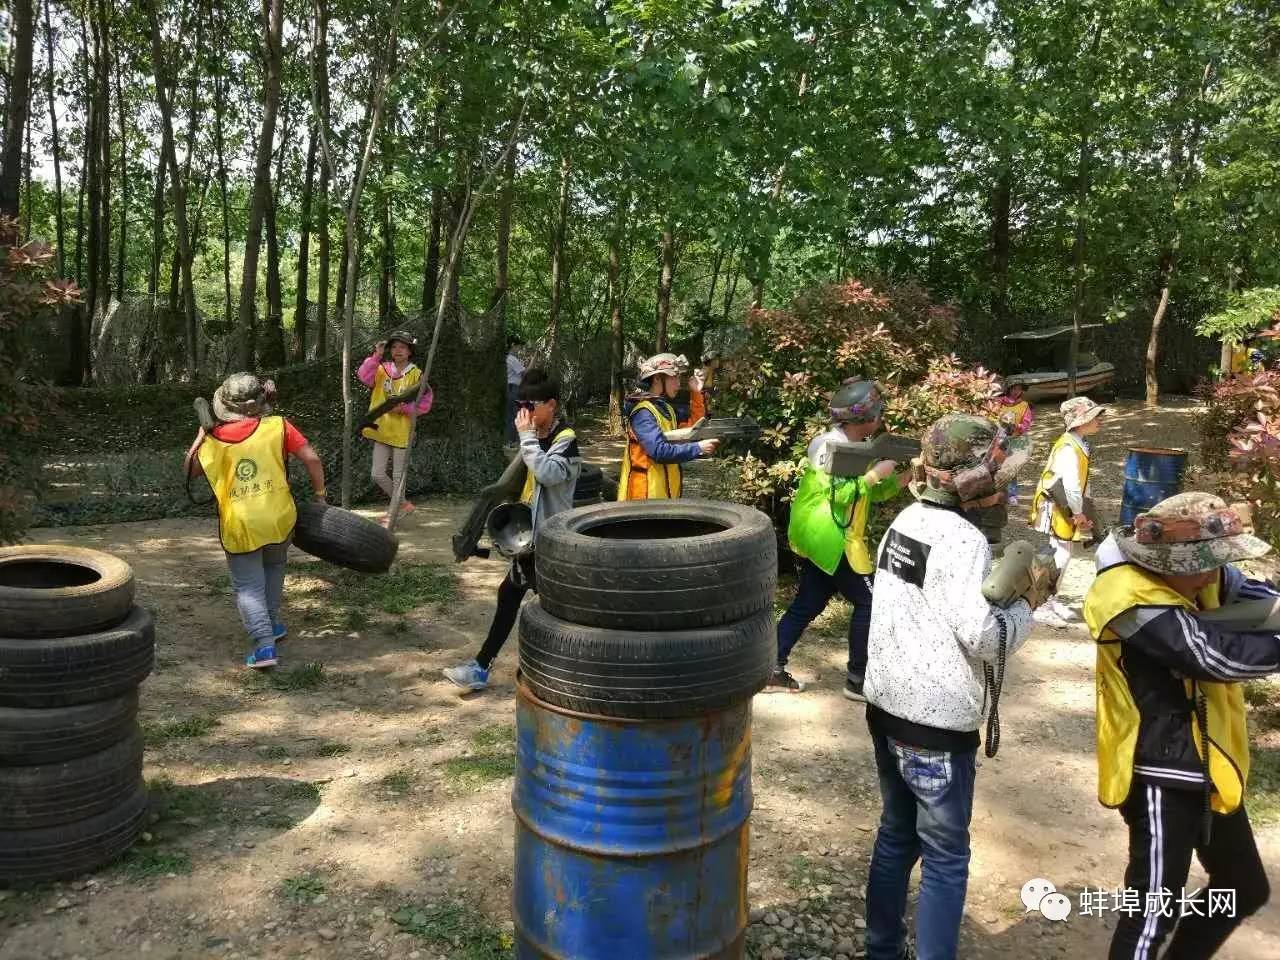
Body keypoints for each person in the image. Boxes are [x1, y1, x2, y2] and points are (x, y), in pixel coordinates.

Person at [862, 413, 1042, 960]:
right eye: (1001, 479)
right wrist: (1029, 606)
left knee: (897, 833)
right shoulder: (963, 541)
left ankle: (881, 949)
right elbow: (985, 636)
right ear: (977, 485)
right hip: (934, 726)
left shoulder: (906, 521)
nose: (1006, 489)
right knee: (945, 856)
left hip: (886, 705)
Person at [1082, 493, 1276, 959]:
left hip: (1211, 762)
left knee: (1243, 887)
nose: (1214, 575)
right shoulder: (1124, 596)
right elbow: (1210, 657)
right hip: (1160, 769)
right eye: (1205, 566)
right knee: (1150, 917)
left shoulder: (1199, 571)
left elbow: (1256, 598)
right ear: (1165, 559)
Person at [442, 369, 581, 693]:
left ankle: (579, 673)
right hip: (530, 544)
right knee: (509, 596)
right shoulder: (535, 436)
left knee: (562, 612)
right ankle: (480, 667)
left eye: (531, 406)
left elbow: (547, 474)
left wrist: (527, 439)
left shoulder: (566, 441)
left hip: (553, 543)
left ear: (551, 404)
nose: (525, 414)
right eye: (521, 405)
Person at [769, 378, 904, 698]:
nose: (882, 416)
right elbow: (843, 495)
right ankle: (858, 679)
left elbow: (872, 493)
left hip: (829, 536)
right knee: (869, 601)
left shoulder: (856, 447)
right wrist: (874, 474)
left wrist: (904, 476)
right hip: (832, 535)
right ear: (866, 417)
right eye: (879, 411)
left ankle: (770, 667)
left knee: (808, 603)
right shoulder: (830, 447)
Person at [184, 373, 327, 669]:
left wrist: (202, 434)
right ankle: (272, 625)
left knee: (248, 585)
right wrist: (320, 495)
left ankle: (263, 647)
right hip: (279, 517)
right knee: (273, 567)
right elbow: (312, 458)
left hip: (241, 524)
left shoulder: (215, 439)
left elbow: (190, 470)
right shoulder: (278, 426)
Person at [1028, 395, 1104, 625]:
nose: (1099, 420)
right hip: (1059, 506)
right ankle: (1041, 604)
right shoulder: (1069, 447)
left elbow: (1080, 484)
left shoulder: (1077, 444)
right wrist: (1078, 513)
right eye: (1093, 416)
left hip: (1065, 506)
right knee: (1059, 554)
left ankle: (1048, 599)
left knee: (1059, 553)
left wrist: (1086, 512)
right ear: (1080, 422)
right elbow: (1070, 486)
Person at [618, 353, 718, 500]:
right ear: (657, 378)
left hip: (664, 495)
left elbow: (692, 431)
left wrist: (696, 393)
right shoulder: (643, 412)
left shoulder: (666, 409)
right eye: (674, 377)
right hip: (643, 500)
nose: (679, 383)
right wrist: (698, 448)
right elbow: (659, 451)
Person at [358, 330, 433, 525]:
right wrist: (377, 355)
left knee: (399, 476)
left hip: (402, 432)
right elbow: (364, 377)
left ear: (410, 351)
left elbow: (425, 403)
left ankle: (392, 514)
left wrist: (406, 409)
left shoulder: (417, 374)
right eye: (394, 346)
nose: (398, 350)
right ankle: (404, 504)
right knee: (377, 474)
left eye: (403, 347)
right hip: (381, 429)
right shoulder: (381, 368)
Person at [992, 378, 1033, 506]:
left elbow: (1026, 423)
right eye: (1014, 388)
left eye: (1019, 389)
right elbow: (991, 416)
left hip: (1015, 440)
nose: (1016, 391)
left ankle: (1012, 494)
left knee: (1012, 467)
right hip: (998, 439)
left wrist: (1017, 426)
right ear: (1009, 389)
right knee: (995, 466)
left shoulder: (1024, 405)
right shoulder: (998, 402)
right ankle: (996, 493)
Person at [505, 336, 526, 445]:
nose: (520, 348)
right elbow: (524, 374)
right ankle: (514, 442)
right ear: (513, 345)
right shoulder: (511, 359)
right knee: (516, 416)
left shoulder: (507, 358)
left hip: (509, 389)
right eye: (519, 346)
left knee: (510, 417)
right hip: (514, 389)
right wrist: (534, 360)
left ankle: (510, 442)